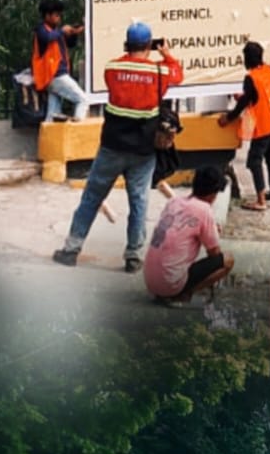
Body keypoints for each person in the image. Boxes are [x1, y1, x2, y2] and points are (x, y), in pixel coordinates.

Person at [53, 23, 183, 273]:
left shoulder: (112, 68)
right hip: (143, 151)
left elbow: (119, 85)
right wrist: (166, 54)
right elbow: (177, 74)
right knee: (139, 201)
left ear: (127, 43)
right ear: (149, 45)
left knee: (92, 198)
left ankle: (71, 250)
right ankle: (133, 256)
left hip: (112, 147)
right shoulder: (159, 71)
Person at [143, 165, 235, 306]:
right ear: (214, 193)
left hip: (150, 281)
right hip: (169, 283)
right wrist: (212, 232)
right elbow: (214, 253)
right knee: (227, 260)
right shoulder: (204, 210)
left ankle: (171, 290)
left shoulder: (174, 202)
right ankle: (183, 294)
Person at [218, 41, 270, 210]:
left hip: (264, 125)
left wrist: (229, 118)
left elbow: (244, 103)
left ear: (247, 59)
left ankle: (261, 201)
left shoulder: (251, 78)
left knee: (254, 161)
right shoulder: (267, 71)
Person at [32, 0, 87, 123]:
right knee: (83, 100)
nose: (59, 18)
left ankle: (49, 139)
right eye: (56, 15)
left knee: (53, 114)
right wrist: (62, 31)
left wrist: (73, 33)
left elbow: (70, 44)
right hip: (55, 75)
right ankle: (77, 133)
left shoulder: (55, 32)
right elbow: (47, 37)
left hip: (53, 77)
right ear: (47, 15)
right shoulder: (41, 29)